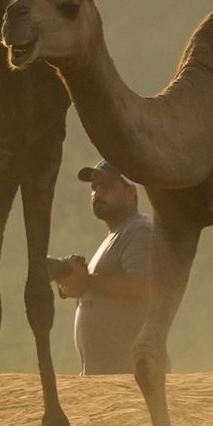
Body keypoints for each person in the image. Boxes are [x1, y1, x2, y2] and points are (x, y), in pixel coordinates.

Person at [48, 161, 162, 380]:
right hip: (107, 376)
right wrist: (72, 281)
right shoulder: (116, 236)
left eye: (106, 187)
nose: (97, 192)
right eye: (94, 187)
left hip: (129, 377)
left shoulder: (138, 231)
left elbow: (142, 284)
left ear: (131, 192)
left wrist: (87, 282)